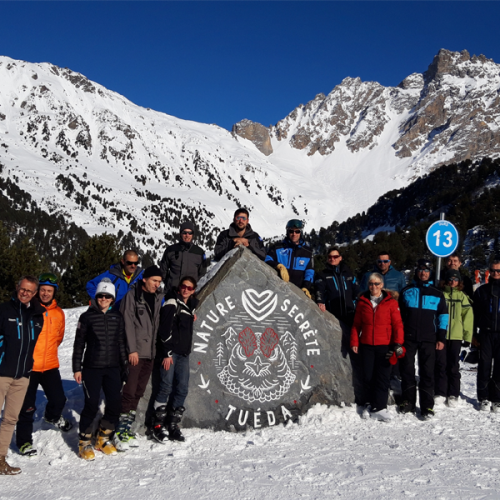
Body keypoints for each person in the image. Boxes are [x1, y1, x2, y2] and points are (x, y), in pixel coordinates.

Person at [16, 273, 72, 457]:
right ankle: (24, 442)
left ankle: (52, 416)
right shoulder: (28, 310)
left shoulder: (58, 313)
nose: (46, 294)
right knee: (27, 407)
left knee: (59, 399)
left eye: (49, 291)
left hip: (50, 365)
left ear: (54, 292)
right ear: (37, 291)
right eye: (43, 290)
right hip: (29, 366)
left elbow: (59, 338)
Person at [72, 278, 128, 461]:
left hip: (113, 367)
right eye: (100, 296)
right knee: (91, 404)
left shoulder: (117, 317)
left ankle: (103, 438)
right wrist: (77, 367)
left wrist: (124, 366)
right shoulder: (87, 317)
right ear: (96, 297)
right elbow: (79, 344)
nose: (103, 299)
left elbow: (121, 344)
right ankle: (84, 442)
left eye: (107, 296)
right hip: (92, 368)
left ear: (112, 299)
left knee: (115, 404)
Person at [115, 265, 164, 449]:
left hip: (150, 352)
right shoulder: (132, 296)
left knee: (138, 391)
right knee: (129, 391)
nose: (156, 285)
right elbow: (127, 323)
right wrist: (131, 349)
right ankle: (119, 430)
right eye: (154, 281)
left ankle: (127, 428)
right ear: (145, 279)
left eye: (159, 282)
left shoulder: (159, 297)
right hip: (136, 352)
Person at [0, 276, 44, 475]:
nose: (25, 293)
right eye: (22, 289)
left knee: (10, 419)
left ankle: (0, 459)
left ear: (35, 293)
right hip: (2, 373)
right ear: (17, 288)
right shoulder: (4, 310)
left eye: (30, 291)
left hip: (22, 376)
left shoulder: (37, 316)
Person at [398, 258, 448, 419]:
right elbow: (399, 317)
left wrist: (441, 337)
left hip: (429, 339)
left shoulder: (437, 294)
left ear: (430, 272)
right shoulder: (407, 291)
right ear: (416, 272)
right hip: (409, 338)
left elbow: (443, 317)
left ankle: (427, 406)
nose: (423, 273)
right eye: (420, 270)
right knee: (407, 370)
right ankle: (408, 402)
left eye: (426, 270)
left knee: (427, 372)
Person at [350, 273, 404, 421]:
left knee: (382, 377)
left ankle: (380, 407)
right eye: (371, 284)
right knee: (367, 376)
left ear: (382, 285)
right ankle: (368, 404)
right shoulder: (362, 301)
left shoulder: (391, 302)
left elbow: (398, 324)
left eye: (377, 284)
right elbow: (356, 325)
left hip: (385, 345)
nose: (374, 287)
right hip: (367, 345)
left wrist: (398, 343)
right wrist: (354, 342)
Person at [152, 276, 199, 443]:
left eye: (190, 288)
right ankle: (157, 425)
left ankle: (172, 425)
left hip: (184, 355)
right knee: (165, 387)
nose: (186, 290)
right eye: (184, 286)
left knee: (182, 389)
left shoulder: (189, 306)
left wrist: (191, 314)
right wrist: (167, 353)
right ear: (179, 287)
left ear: (193, 291)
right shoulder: (172, 302)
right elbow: (164, 330)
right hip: (171, 354)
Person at [435, 269, 473, 407]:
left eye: (455, 280)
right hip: (442, 334)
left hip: (456, 335)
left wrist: (467, 336)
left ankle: (453, 394)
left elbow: (468, 318)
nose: (452, 282)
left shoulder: (462, 296)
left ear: (459, 282)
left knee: (453, 365)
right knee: (440, 364)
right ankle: (440, 392)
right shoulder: (440, 295)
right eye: (450, 279)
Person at [473, 259, 500, 412]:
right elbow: (475, 315)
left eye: (498, 271)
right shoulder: (481, 291)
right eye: (493, 270)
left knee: (499, 368)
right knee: (484, 366)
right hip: (485, 333)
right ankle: (483, 397)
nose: (496, 273)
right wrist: (474, 335)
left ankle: (497, 399)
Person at [265, 219, 314, 297]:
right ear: (287, 232)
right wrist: (278, 266)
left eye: (297, 231)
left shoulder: (307, 252)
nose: (294, 234)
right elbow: (267, 260)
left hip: (298, 293)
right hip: (278, 290)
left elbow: (309, 272)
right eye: (291, 231)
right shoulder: (277, 248)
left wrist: (306, 287)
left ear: (300, 232)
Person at [159, 221, 208, 293]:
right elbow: (163, 269)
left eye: (190, 233)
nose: (187, 235)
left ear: (193, 235)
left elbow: (202, 273)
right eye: (184, 233)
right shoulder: (170, 250)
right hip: (171, 292)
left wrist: (194, 285)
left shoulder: (199, 252)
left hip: (189, 293)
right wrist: (169, 282)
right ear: (180, 234)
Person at [315, 247, 358, 327]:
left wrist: (357, 303)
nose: (332, 259)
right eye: (330, 257)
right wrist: (320, 301)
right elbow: (319, 289)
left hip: (350, 313)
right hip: (332, 314)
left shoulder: (348, 274)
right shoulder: (322, 275)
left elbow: (356, 291)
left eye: (335, 257)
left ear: (340, 258)